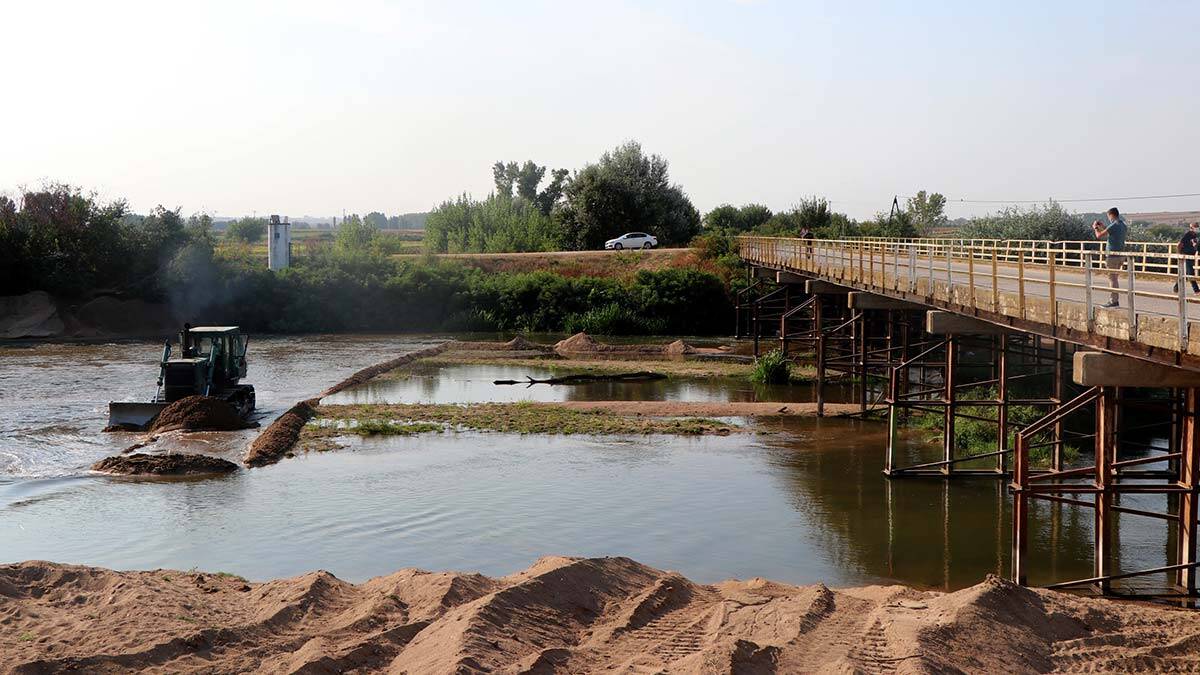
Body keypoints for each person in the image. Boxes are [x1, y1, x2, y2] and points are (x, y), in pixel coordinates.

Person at [1092, 207, 1128, 308]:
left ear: (1111, 215)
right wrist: (1103, 227)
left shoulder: (1114, 225)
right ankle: (1114, 300)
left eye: (1108, 216)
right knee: (1115, 278)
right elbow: (1111, 233)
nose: (1109, 219)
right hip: (1121, 255)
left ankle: (1114, 301)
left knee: (1112, 279)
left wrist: (1095, 228)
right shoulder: (1123, 225)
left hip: (1112, 256)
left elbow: (1099, 236)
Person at [1175, 222, 1200, 293]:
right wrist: (1180, 254)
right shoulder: (1187, 235)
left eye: (1197, 227)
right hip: (1185, 255)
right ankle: (1196, 290)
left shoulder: (1195, 235)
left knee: (1185, 272)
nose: (1197, 229)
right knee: (1190, 272)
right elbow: (1179, 244)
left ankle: (1176, 287)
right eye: (1195, 227)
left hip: (1191, 255)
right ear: (1191, 228)